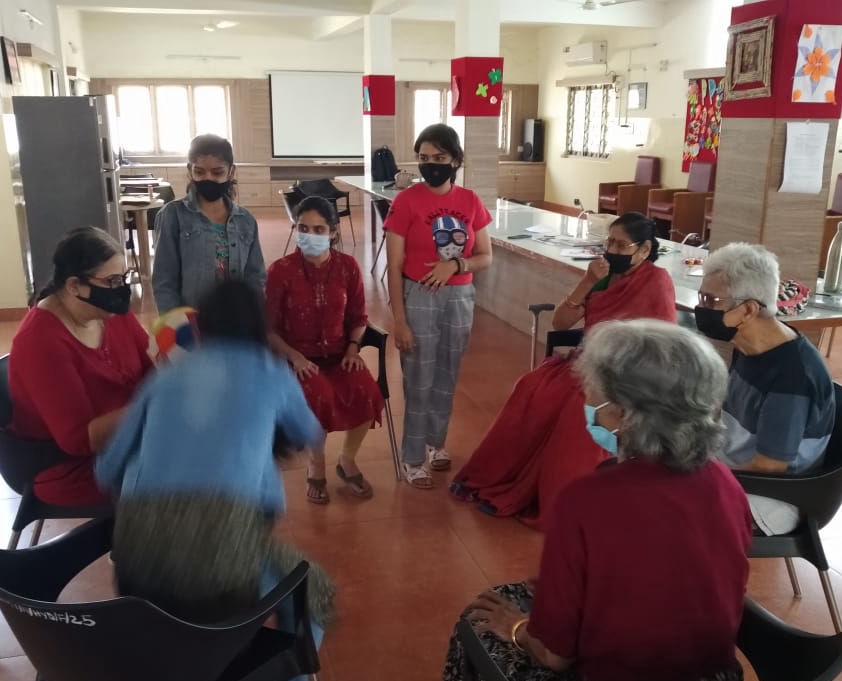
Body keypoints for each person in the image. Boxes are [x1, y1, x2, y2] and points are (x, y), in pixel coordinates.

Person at [430, 319, 753, 681]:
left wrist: (518, 628)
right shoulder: (725, 483)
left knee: (475, 628)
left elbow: (554, 655)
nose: (586, 403)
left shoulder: (589, 501)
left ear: (624, 413)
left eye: (593, 393)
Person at [95, 279, 335, 681]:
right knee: (314, 598)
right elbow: (309, 433)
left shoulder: (165, 377)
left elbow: (107, 468)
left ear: (200, 325)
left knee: (195, 596)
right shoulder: (272, 374)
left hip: (136, 568)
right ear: (260, 327)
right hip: (222, 565)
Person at [451, 212, 677, 531]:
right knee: (531, 390)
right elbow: (560, 324)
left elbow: (663, 343)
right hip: (586, 361)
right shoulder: (602, 274)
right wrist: (586, 282)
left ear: (643, 250)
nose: (611, 249)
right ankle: (506, 477)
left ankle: (563, 502)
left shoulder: (656, 281)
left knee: (578, 413)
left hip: (627, 375)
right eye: (608, 241)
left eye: (621, 244)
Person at [695, 242, 835, 536]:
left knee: (658, 512)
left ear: (747, 310)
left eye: (711, 300)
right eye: (702, 297)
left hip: (773, 497)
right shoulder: (749, 345)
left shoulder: (792, 377)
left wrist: (698, 476)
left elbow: (769, 467)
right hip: (733, 467)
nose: (701, 308)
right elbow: (721, 413)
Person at [8, 226, 151, 507]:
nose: (121, 289)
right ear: (74, 286)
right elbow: (78, 440)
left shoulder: (108, 312)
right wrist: (154, 405)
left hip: (128, 440)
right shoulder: (40, 341)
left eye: (124, 278)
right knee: (198, 472)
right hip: (74, 467)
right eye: (111, 281)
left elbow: (151, 366)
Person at [384, 123, 493, 489]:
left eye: (439, 158)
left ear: (455, 160)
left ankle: (436, 443)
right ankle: (413, 458)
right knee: (418, 378)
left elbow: (485, 256)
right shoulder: (406, 201)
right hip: (419, 297)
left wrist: (456, 264)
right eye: (423, 158)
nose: (431, 165)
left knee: (446, 376)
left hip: (460, 297)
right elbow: (393, 266)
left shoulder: (470, 201)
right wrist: (399, 320)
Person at [267, 195, 385, 504]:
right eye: (303, 228)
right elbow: (268, 328)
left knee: (366, 391)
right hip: (297, 359)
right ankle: (315, 466)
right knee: (316, 397)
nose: (310, 236)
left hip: (339, 354)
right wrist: (294, 356)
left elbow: (359, 317)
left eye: (319, 230)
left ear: (333, 232)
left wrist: (353, 348)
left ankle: (347, 460)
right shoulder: (280, 271)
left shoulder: (347, 267)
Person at [152, 134, 265, 313]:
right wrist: (174, 324)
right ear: (190, 170)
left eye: (217, 172)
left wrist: (253, 317)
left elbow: (256, 277)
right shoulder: (172, 216)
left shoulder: (246, 220)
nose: (208, 178)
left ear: (231, 171)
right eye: (200, 172)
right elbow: (164, 279)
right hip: (191, 323)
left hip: (236, 320)